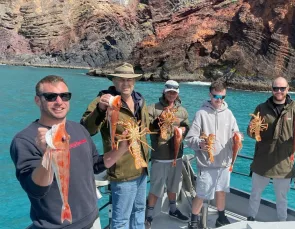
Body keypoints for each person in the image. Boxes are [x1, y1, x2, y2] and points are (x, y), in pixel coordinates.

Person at [10, 75, 128, 229]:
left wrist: (122, 148)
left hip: (92, 219)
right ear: (38, 100)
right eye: (51, 97)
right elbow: (36, 189)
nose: (59, 101)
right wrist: (48, 154)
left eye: (64, 96)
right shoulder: (25, 140)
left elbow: (95, 165)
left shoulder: (79, 129)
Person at [81, 63, 150, 229]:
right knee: (121, 220)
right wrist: (100, 109)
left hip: (142, 168)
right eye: (121, 79)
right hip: (122, 171)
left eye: (130, 80)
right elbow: (86, 129)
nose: (126, 83)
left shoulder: (139, 99)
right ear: (114, 81)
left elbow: (146, 128)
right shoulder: (103, 100)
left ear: (134, 81)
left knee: (139, 210)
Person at [246, 76, 295, 221]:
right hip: (262, 161)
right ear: (271, 89)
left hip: (284, 164)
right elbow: (251, 133)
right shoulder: (261, 108)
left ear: (288, 89)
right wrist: (252, 129)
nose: (279, 91)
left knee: (282, 199)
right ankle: (250, 219)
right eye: (276, 88)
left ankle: (282, 223)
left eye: (282, 88)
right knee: (255, 194)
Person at [185, 80, 240, 229]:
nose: (219, 100)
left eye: (223, 97)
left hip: (224, 163)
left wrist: (238, 137)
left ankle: (221, 217)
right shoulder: (201, 114)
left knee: (221, 192)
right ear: (210, 94)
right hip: (206, 164)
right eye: (216, 96)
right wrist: (200, 144)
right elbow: (190, 139)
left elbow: (236, 133)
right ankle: (194, 221)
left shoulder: (229, 114)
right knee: (201, 194)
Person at [145, 80, 190, 226]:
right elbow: (147, 126)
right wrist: (160, 119)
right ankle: (149, 215)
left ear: (177, 94)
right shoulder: (153, 108)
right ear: (164, 92)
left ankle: (173, 209)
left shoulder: (182, 111)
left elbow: (187, 127)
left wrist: (184, 129)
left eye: (174, 92)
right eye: (169, 92)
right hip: (160, 156)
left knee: (173, 185)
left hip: (176, 156)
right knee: (156, 186)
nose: (171, 94)